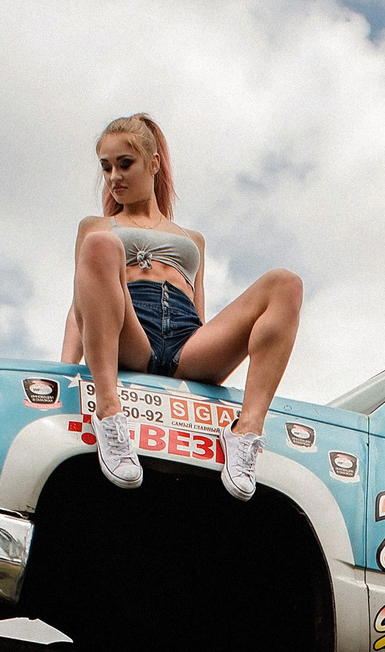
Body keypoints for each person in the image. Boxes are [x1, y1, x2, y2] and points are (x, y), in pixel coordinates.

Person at [60, 113, 304, 500]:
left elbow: (198, 310)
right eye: (105, 167)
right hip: (128, 332)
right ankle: (109, 415)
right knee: (102, 246)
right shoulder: (96, 227)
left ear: (153, 163)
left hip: (187, 342)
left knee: (286, 283)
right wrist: (67, 372)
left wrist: (207, 354)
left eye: (125, 164)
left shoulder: (193, 240)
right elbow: (82, 307)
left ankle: (246, 433)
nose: (113, 177)